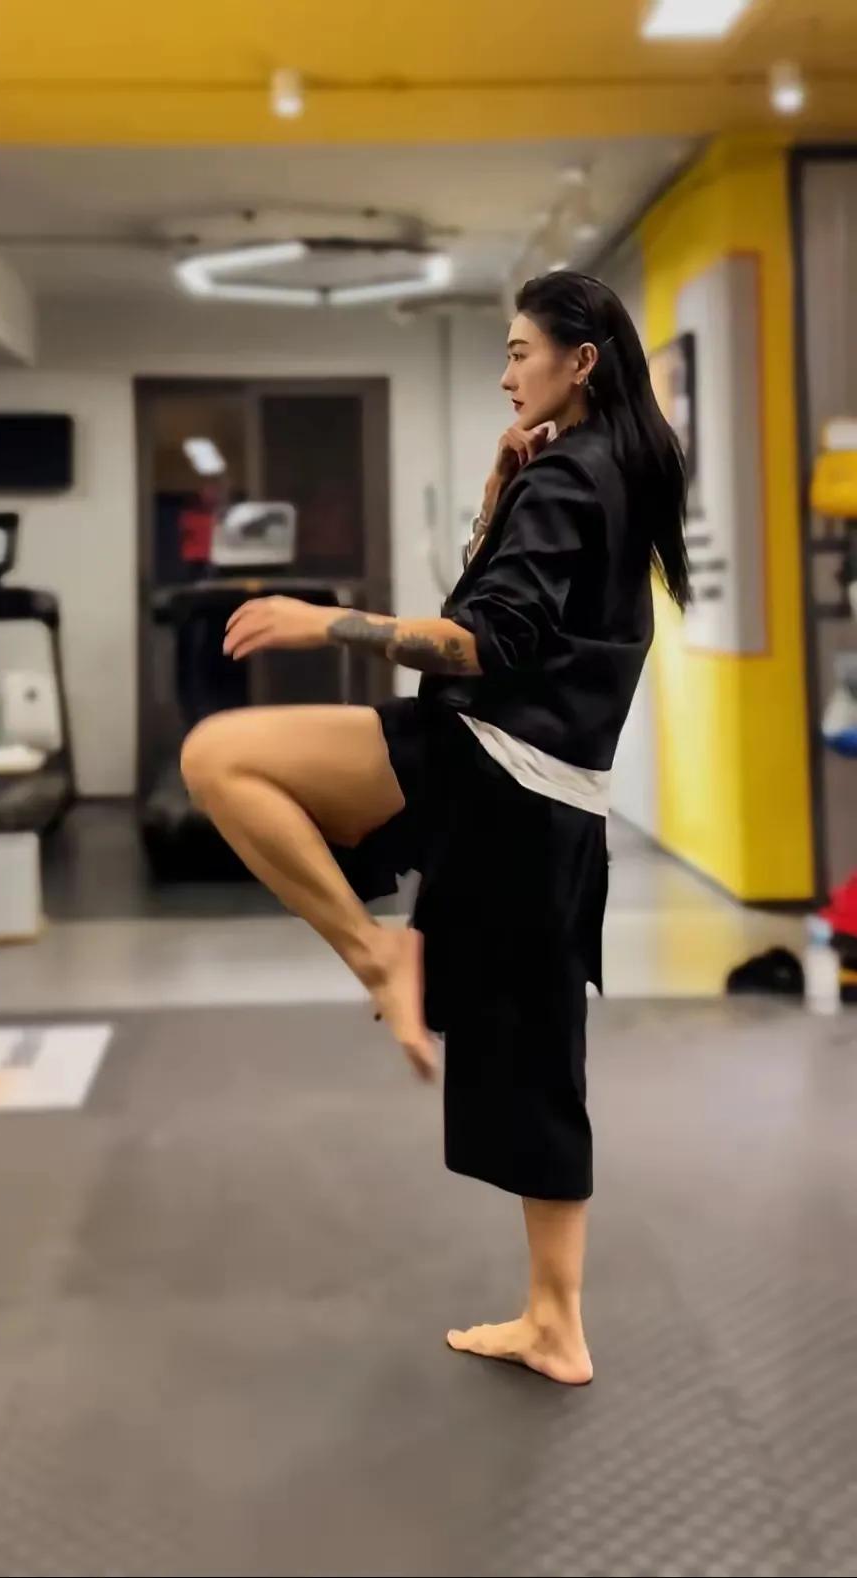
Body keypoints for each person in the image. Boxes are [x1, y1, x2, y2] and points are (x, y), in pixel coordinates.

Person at [180, 269, 689, 1385]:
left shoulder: (573, 474)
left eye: (518, 351)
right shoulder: (610, 471)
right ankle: (556, 1324)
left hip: (490, 768)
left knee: (218, 756)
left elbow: (479, 645)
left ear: (580, 361)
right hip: (555, 801)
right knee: (538, 1057)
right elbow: (506, 617)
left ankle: (378, 955)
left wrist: (323, 621)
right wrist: (497, 498)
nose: (507, 375)